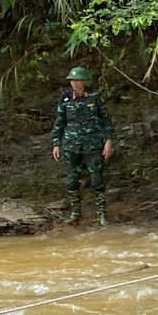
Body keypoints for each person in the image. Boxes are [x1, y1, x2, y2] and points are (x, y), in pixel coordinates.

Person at [51, 66, 114, 225]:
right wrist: (56, 144)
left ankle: (101, 214)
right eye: (72, 80)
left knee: (97, 180)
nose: (75, 83)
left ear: (84, 81)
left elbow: (106, 120)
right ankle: (75, 213)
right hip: (71, 146)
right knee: (72, 180)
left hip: (93, 145)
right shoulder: (64, 98)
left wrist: (108, 141)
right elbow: (59, 122)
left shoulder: (94, 97)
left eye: (78, 80)